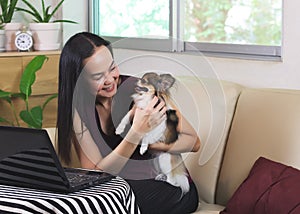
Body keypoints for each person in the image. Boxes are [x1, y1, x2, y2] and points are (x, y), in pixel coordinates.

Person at [57, 32, 201, 214]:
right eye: (97, 76)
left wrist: (153, 144)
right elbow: (95, 174)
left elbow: (194, 142)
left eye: (112, 68)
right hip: (119, 188)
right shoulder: (78, 110)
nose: (110, 79)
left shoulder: (142, 90)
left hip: (170, 187)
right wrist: (136, 133)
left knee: (108, 202)